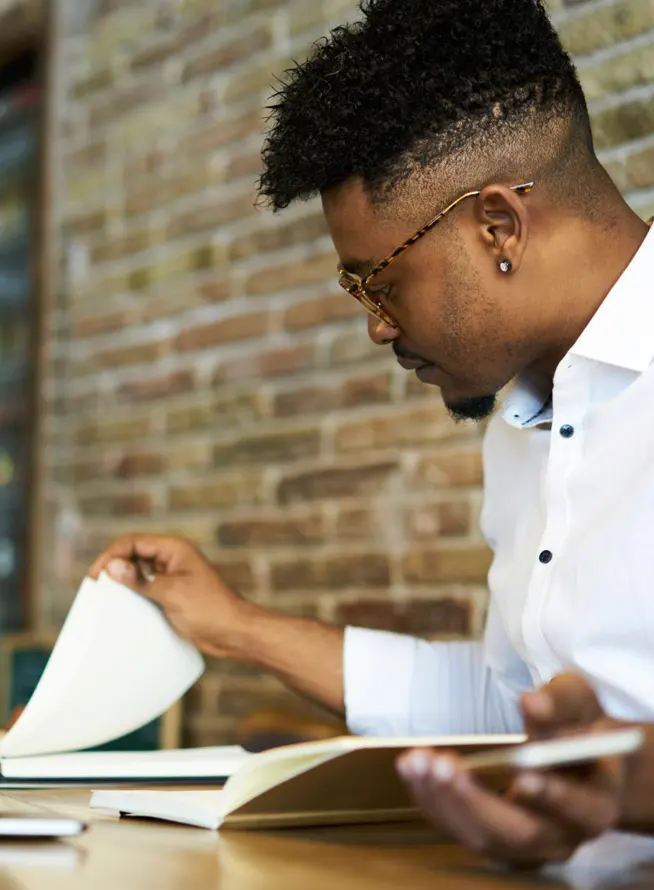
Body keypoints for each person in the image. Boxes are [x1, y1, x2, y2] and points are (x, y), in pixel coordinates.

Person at [89, 0, 654, 866]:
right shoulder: (525, 420)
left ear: (497, 226)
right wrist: (231, 623)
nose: (377, 327)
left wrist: (628, 785)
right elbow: (510, 708)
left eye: (378, 283)